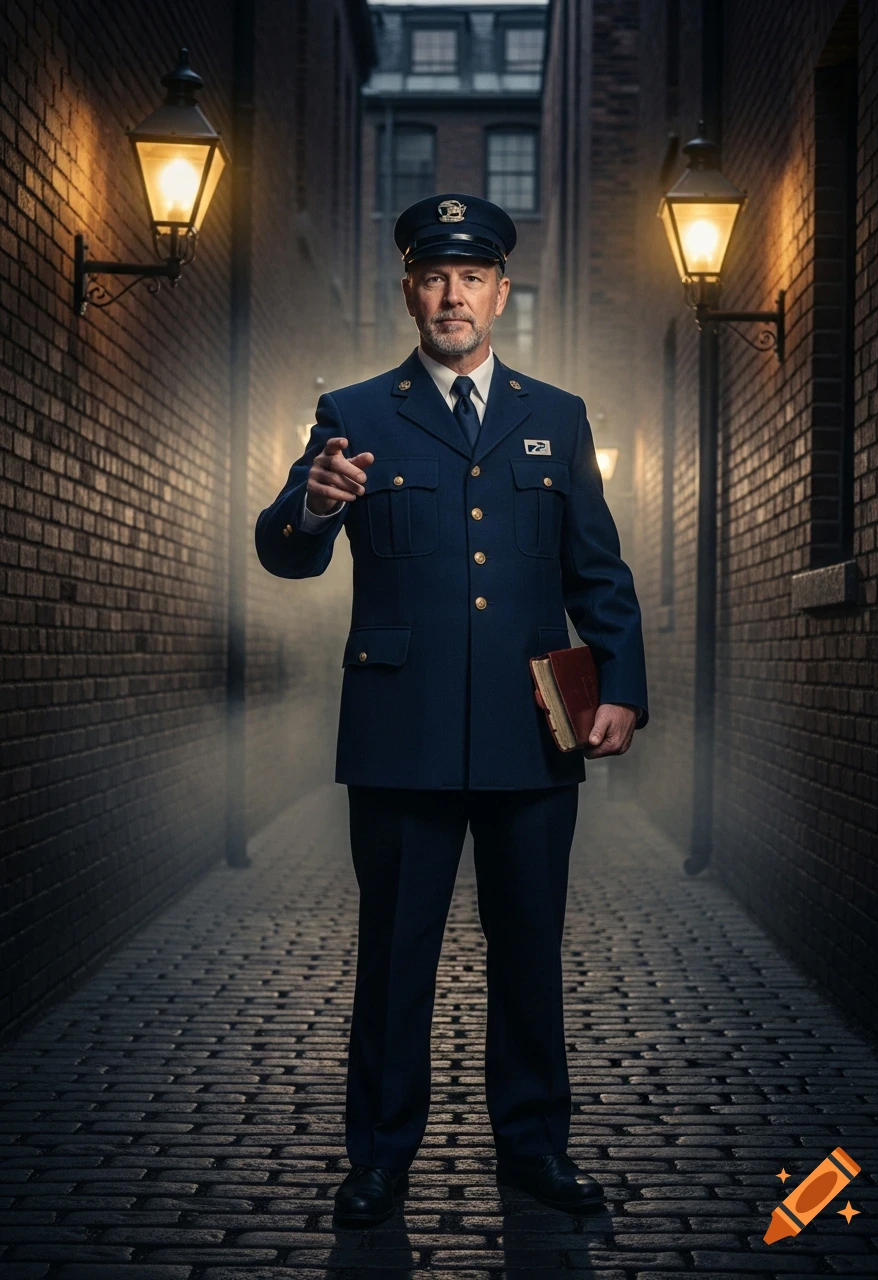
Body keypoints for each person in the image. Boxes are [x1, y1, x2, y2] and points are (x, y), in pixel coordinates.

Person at [255, 193, 648, 1229]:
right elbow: (283, 549)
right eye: (432, 275)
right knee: (395, 959)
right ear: (407, 290)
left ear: (500, 292)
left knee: (529, 951)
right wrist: (311, 505)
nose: (450, 294)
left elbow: (595, 571)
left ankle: (534, 1148)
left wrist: (619, 685)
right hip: (399, 732)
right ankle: (378, 1158)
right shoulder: (354, 411)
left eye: (470, 276)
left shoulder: (555, 417)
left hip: (533, 731)